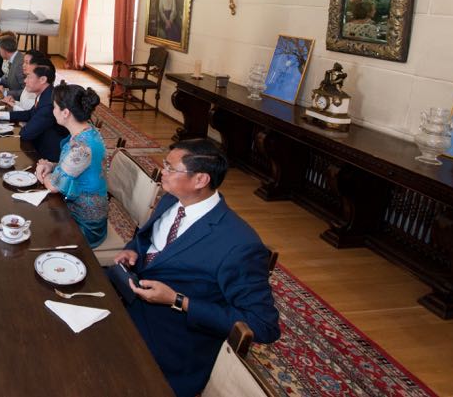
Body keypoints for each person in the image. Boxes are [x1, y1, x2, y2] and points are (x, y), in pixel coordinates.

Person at [110, 138, 280, 397]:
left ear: (200, 180)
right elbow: (146, 238)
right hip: (132, 294)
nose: (162, 172)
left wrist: (178, 300)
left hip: (171, 337)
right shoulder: (171, 200)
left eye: (170, 168)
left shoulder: (239, 244)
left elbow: (264, 325)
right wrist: (133, 248)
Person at [35, 83, 107, 247]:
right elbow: (72, 166)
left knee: (39, 234)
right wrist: (52, 166)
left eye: (54, 107)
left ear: (66, 113)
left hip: (85, 223)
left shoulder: (82, 148)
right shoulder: (88, 131)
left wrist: (43, 172)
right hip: (74, 205)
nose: (52, 111)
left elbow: (54, 186)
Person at [0, 58, 67, 161]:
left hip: (45, 155)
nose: (25, 81)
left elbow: (26, 134)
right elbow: (29, 114)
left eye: (29, 77)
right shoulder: (46, 94)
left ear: (42, 80)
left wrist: (27, 125)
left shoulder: (48, 103)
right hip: (37, 144)